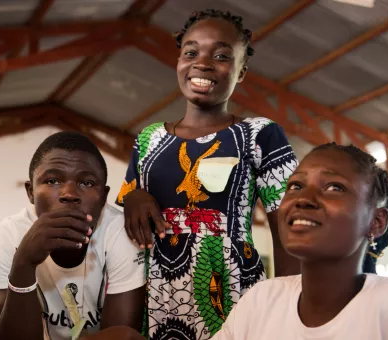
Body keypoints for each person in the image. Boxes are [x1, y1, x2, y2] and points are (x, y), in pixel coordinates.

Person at [116, 9, 300, 339]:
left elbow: (290, 228)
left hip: (233, 302)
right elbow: (121, 227)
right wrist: (132, 196)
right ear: (178, 62)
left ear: (241, 71)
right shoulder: (148, 139)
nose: (202, 63)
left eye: (221, 55)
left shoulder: (260, 135)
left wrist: (288, 312)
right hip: (153, 303)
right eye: (191, 52)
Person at [211, 143, 388, 339]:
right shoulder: (260, 302)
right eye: (295, 186)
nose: (303, 199)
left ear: (376, 222)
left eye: (334, 188)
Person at [0, 131, 146, 340]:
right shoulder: (9, 234)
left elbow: (123, 336)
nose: (69, 194)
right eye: (52, 180)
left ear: (103, 197)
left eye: (86, 183)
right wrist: (24, 262)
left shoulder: (119, 230)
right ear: (30, 192)